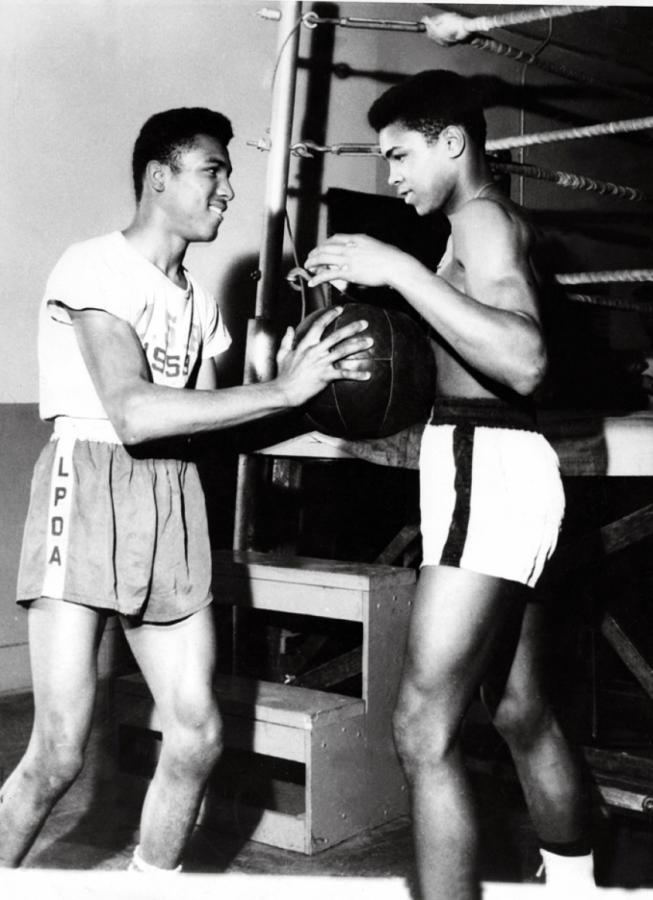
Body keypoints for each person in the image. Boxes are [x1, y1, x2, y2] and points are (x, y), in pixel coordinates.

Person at [0, 107, 373, 873]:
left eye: (228, 173)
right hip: (91, 482)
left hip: (170, 500)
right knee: (59, 754)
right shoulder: (92, 266)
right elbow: (134, 414)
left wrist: (308, 394)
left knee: (198, 734)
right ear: (157, 177)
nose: (229, 189)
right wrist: (277, 392)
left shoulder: (199, 305)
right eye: (214, 170)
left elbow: (203, 429)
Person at [305, 70, 594, 899]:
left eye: (399, 155)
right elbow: (457, 342)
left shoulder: (478, 219)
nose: (390, 175)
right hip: (501, 470)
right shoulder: (472, 230)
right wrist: (370, 288)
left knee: (421, 729)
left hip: (489, 470)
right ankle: (575, 887)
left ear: (451, 142)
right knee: (519, 711)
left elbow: (524, 358)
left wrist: (395, 267)